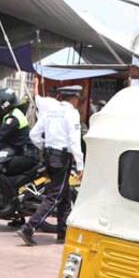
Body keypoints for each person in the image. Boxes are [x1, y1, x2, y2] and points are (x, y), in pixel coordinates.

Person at [17, 85, 84, 245]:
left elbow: (34, 134)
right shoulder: (72, 113)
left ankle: (62, 232)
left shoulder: (50, 111)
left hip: (49, 156)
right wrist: (80, 165)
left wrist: (45, 146)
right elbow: (74, 141)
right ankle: (29, 228)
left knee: (65, 196)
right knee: (55, 196)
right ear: (74, 98)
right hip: (62, 158)